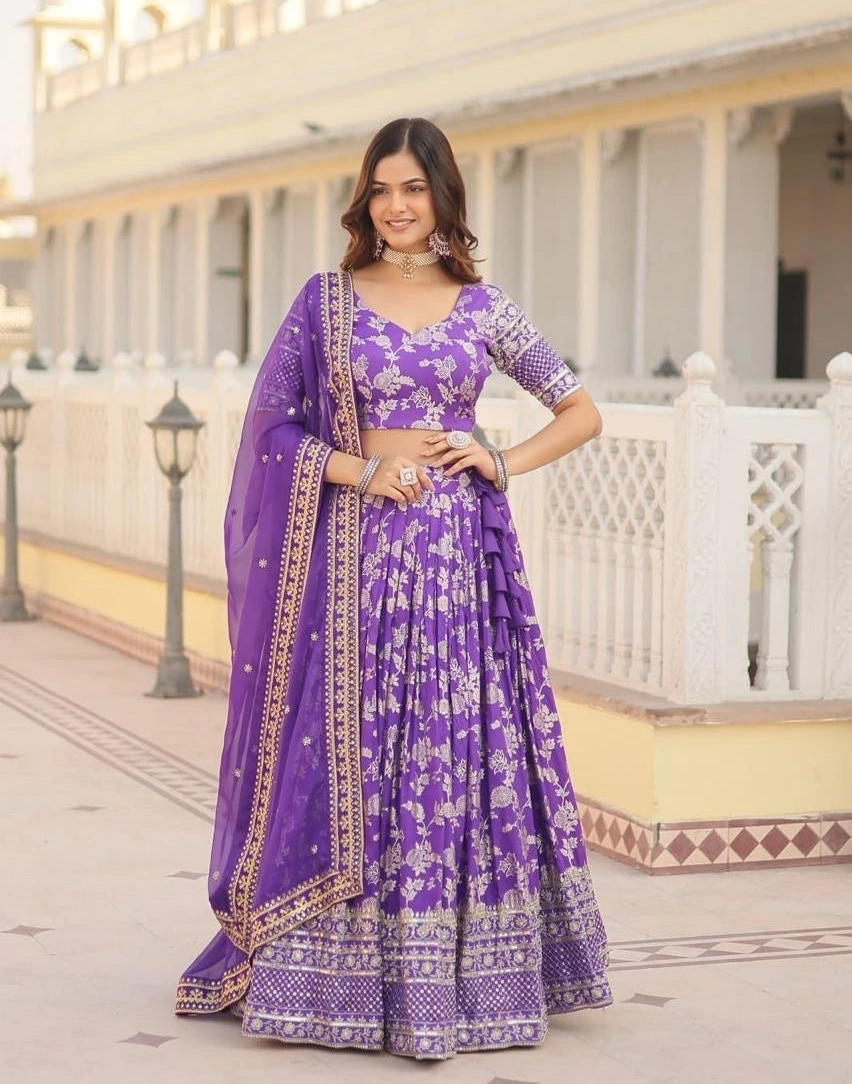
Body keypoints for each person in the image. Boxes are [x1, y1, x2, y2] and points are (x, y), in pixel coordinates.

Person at [175, 117, 612, 1058]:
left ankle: (453, 982)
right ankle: (326, 978)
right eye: (382, 188)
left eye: (414, 188)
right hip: (353, 566)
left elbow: (580, 411)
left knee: (448, 758)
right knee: (355, 749)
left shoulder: (484, 307)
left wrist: (500, 456)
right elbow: (271, 434)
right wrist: (359, 469)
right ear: (364, 199)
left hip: (459, 564)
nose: (398, 206)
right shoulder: (324, 301)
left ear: (443, 195)